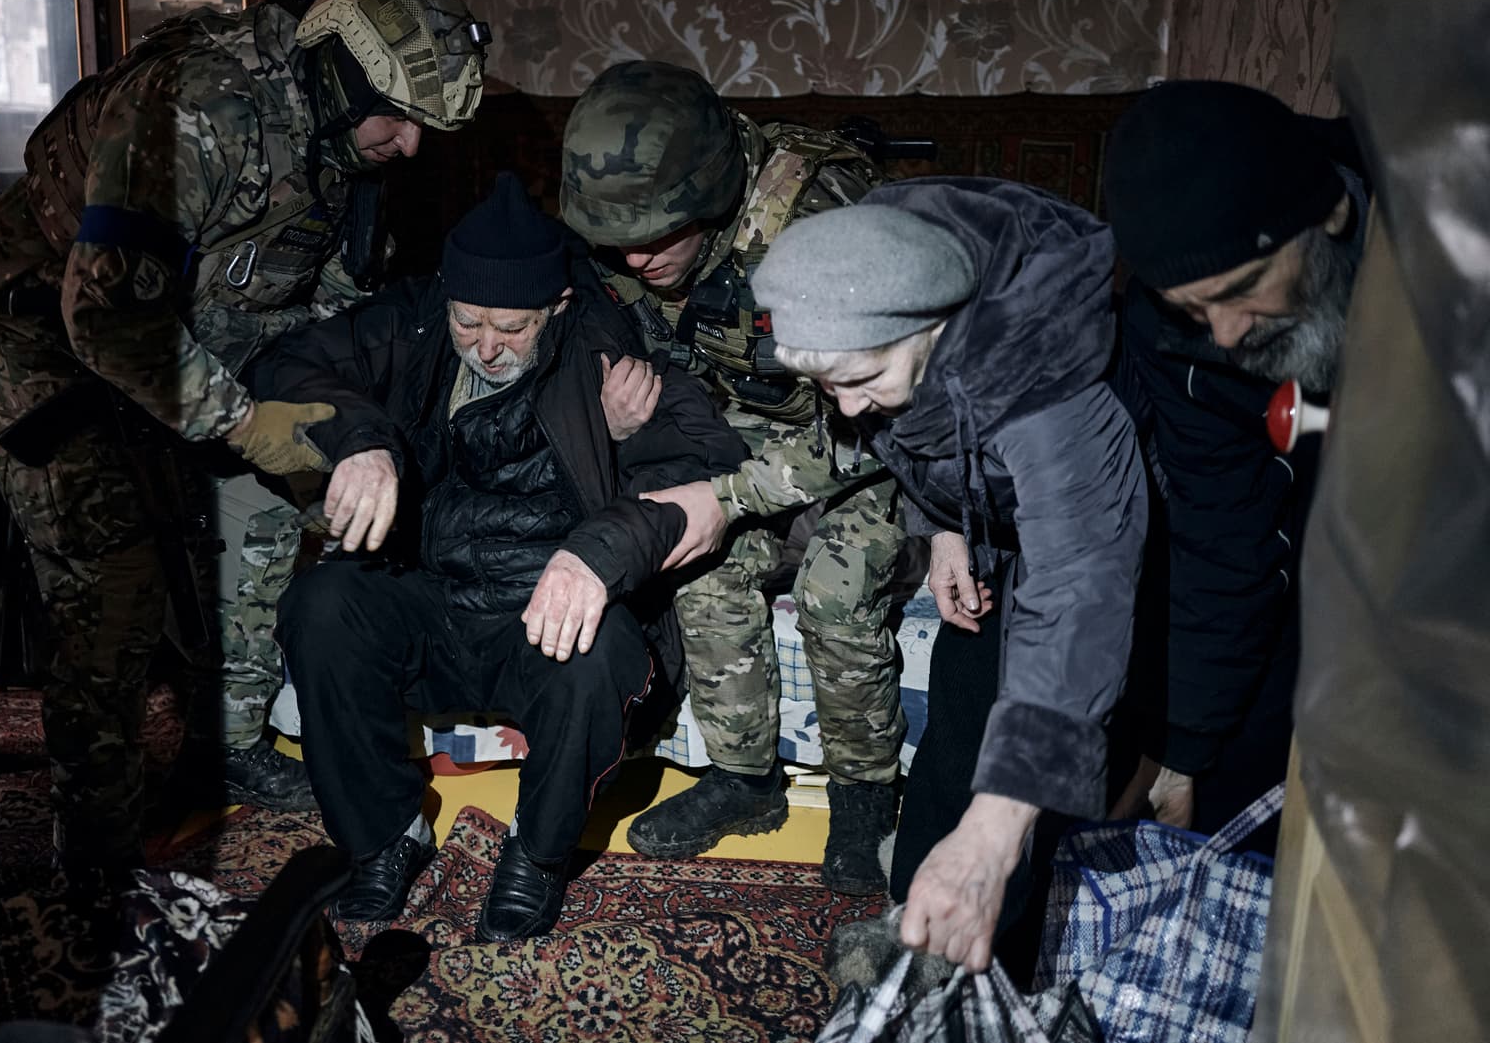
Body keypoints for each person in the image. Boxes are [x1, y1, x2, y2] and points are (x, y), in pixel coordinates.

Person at [0, 0, 489, 869]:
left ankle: (227, 746)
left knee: (269, 517)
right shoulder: (198, 107)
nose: (411, 145)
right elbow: (112, 317)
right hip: (50, 328)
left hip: (208, 334)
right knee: (113, 577)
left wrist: (342, 428)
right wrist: (243, 422)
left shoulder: (347, 147)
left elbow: (333, 310)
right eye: (398, 118)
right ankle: (96, 840)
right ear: (343, 76)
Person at [254, 179, 748, 941]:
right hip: (435, 594)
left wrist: (598, 543)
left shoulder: (604, 343)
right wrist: (360, 439)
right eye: (469, 320)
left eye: (511, 327)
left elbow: (712, 463)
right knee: (322, 606)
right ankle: (387, 835)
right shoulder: (414, 320)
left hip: (542, 619)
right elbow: (281, 363)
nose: (486, 345)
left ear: (553, 307)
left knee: (604, 650)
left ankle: (539, 854)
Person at [746, 180, 1146, 975]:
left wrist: (992, 839)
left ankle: (1002, 969)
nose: (850, 409)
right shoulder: (891, 259)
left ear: (933, 328)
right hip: (999, 527)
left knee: (1040, 783)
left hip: (1108, 546)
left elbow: (1077, 591)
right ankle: (912, 941)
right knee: (960, 725)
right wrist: (946, 525)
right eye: (828, 387)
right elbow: (930, 433)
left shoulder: (1046, 388)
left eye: (864, 380)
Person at [558, 62, 908, 895]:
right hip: (742, 440)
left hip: (864, 438)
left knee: (836, 590)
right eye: (619, 238)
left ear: (712, 195)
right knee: (701, 570)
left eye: (654, 233)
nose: (634, 255)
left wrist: (727, 497)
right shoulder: (630, 240)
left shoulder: (821, 227)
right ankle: (744, 780)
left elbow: (889, 416)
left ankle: (867, 795)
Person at [1102, 81, 1369, 849]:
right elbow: (1224, 536)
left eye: (1243, 290)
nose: (1221, 335)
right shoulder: (1177, 338)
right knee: (1227, 786)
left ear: (1333, 219)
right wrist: (1183, 754)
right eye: (1192, 307)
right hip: (1316, 535)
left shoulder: (1446, 237)